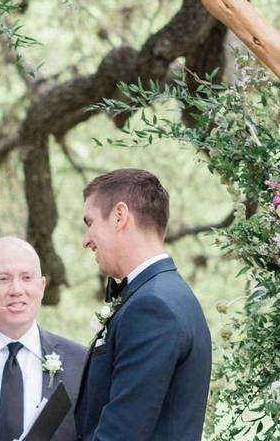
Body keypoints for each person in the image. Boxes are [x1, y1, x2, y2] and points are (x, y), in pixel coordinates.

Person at [74, 169, 211, 441]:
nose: (85, 239)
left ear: (119, 216)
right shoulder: (165, 294)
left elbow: (120, 434)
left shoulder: (152, 307)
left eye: (89, 223)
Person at [0, 236, 85, 441]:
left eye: (27, 278)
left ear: (42, 286)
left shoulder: (81, 362)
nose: (16, 290)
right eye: (3, 279)